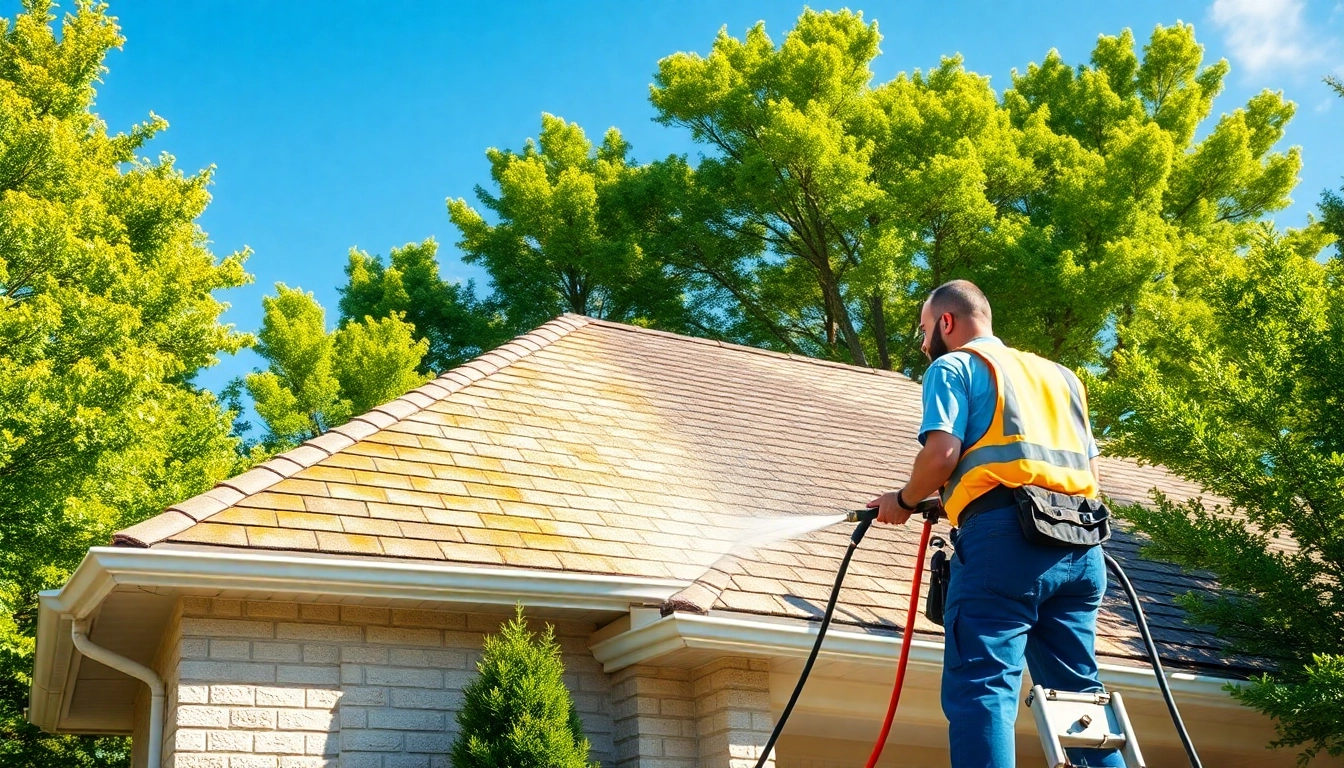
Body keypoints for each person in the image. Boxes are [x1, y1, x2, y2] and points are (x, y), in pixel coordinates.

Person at [867, 279, 1120, 768]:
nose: (922, 344)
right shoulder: (1063, 377)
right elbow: (1086, 476)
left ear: (946, 322)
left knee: (983, 688)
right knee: (1079, 699)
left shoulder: (954, 366)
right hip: (1081, 548)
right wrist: (958, 498)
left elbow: (941, 455)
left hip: (1004, 548)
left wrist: (904, 500)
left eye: (924, 329)